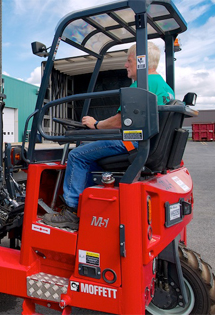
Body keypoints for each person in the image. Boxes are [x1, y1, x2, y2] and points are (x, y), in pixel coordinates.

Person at [42, 41, 175, 230]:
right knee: (91, 155)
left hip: (134, 144)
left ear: (140, 61)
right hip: (149, 145)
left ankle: (71, 212)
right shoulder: (164, 87)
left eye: (128, 61)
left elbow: (119, 122)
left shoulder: (142, 85)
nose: (125, 65)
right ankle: (89, 205)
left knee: (77, 155)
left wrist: (95, 124)